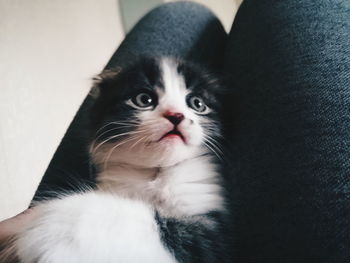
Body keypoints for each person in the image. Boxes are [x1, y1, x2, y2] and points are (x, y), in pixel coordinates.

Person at [1, 1, 349, 262]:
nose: (176, 113)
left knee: (182, 13)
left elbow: (201, 247)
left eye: (196, 104)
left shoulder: (198, 174)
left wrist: (74, 221)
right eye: (144, 98)